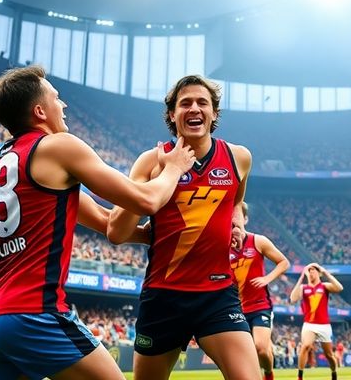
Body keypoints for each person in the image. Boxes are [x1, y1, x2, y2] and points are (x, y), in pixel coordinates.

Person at [0, 66, 196, 380]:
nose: (63, 106)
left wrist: (148, 236)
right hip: (34, 313)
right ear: (39, 111)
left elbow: (108, 222)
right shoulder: (58, 147)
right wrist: (173, 169)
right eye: (56, 98)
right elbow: (145, 201)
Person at [107, 74, 258, 380]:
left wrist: (237, 222)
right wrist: (159, 179)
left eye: (202, 102)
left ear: (214, 113)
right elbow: (116, 232)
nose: (194, 108)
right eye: (184, 103)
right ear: (172, 115)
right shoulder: (151, 161)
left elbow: (236, 202)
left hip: (217, 294)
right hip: (163, 297)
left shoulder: (238, 158)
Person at [231, 202, 291, 380]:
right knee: (240, 356)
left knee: (261, 348)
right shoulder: (221, 246)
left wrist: (267, 279)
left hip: (259, 306)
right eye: (229, 214)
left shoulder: (258, 241)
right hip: (235, 308)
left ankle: (269, 373)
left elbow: (284, 262)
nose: (233, 218)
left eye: (237, 214)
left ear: (246, 219)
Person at [291, 263, 344, 380]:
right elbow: (293, 299)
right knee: (305, 346)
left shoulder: (324, 286)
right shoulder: (303, 288)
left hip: (324, 325)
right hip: (309, 324)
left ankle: (334, 373)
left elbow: (339, 288)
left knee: (329, 355)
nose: (310, 273)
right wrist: (301, 278)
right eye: (308, 271)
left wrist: (325, 273)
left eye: (313, 270)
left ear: (318, 273)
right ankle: (299, 376)